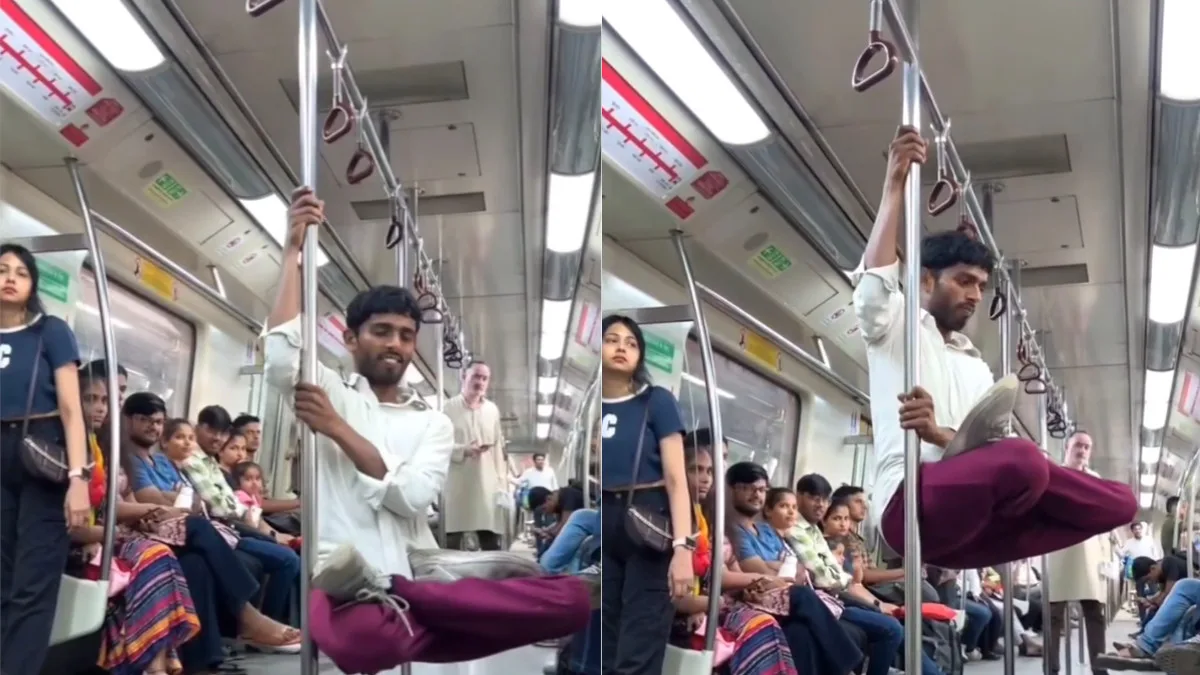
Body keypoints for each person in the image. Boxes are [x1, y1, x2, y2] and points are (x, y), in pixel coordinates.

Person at [262, 189, 593, 674]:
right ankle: (467, 607)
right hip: (342, 578)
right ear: (351, 339)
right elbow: (280, 356)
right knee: (366, 643)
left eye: (405, 334)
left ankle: (431, 602)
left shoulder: (432, 422)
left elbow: (413, 499)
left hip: (408, 570)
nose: (395, 343)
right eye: (381, 331)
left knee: (559, 607)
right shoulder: (334, 390)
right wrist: (293, 251)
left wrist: (336, 430)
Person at [851, 127, 1137, 568]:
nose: (975, 295)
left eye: (982, 286)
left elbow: (990, 448)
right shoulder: (898, 327)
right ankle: (1010, 504)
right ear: (926, 279)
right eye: (964, 281)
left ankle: (1001, 514)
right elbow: (874, 285)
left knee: (1119, 502)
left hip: (971, 523)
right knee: (1023, 462)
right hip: (908, 504)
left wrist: (939, 434)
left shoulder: (976, 364)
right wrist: (894, 184)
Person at [0, 242, 90, 674]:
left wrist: (78, 479)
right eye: (2, 269)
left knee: (32, 583)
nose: (10, 277)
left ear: (32, 284)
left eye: (21, 271)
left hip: (39, 449)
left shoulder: (50, 331)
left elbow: (73, 412)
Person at [599, 313, 693, 674]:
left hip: (649, 518)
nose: (621, 346)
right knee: (608, 638)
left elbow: (675, 479)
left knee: (640, 643)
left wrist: (683, 548)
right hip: (605, 516)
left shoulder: (657, 401)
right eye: (611, 339)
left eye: (631, 342)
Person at [672, 441, 800, 675]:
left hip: (720, 601)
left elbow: (731, 568)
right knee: (770, 621)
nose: (706, 478)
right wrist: (715, 603)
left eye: (710, 470)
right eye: (695, 469)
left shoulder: (707, 518)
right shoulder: (680, 521)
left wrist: (748, 589)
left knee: (785, 624)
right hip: (705, 604)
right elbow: (694, 586)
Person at [1045, 431, 1112, 675]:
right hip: (1059, 550)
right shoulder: (1053, 475)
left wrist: (1106, 556)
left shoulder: (1095, 479)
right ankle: (1051, 669)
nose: (1082, 451)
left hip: (1089, 551)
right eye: (1078, 446)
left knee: (1094, 612)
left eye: (1087, 446)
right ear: (1067, 448)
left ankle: (1100, 669)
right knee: (1053, 614)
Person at [443, 360, 511, 551]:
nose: (480, 382)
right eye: (476, 376)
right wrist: (462, 449)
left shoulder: (492, 411)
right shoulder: (448, 408)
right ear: (464, 377)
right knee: (452, 543)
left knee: (490, 542)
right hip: (457, 485)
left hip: (487, 486)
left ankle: (493, 580)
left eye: (484, 378)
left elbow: (498, 449)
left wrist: (502, 484)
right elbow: (439, 445)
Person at [1099, 557, 1200, 672]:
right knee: (1185, 586)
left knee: (1181, 607)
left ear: (1153, 568)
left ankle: (1169, 651)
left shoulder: (1169, 563)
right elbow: (1164, 593)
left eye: (1149, 578)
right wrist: (1152, 602)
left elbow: (1166, 593)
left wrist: (1153, 603)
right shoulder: (1168, 570)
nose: (1150, 581)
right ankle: (1149, 648)